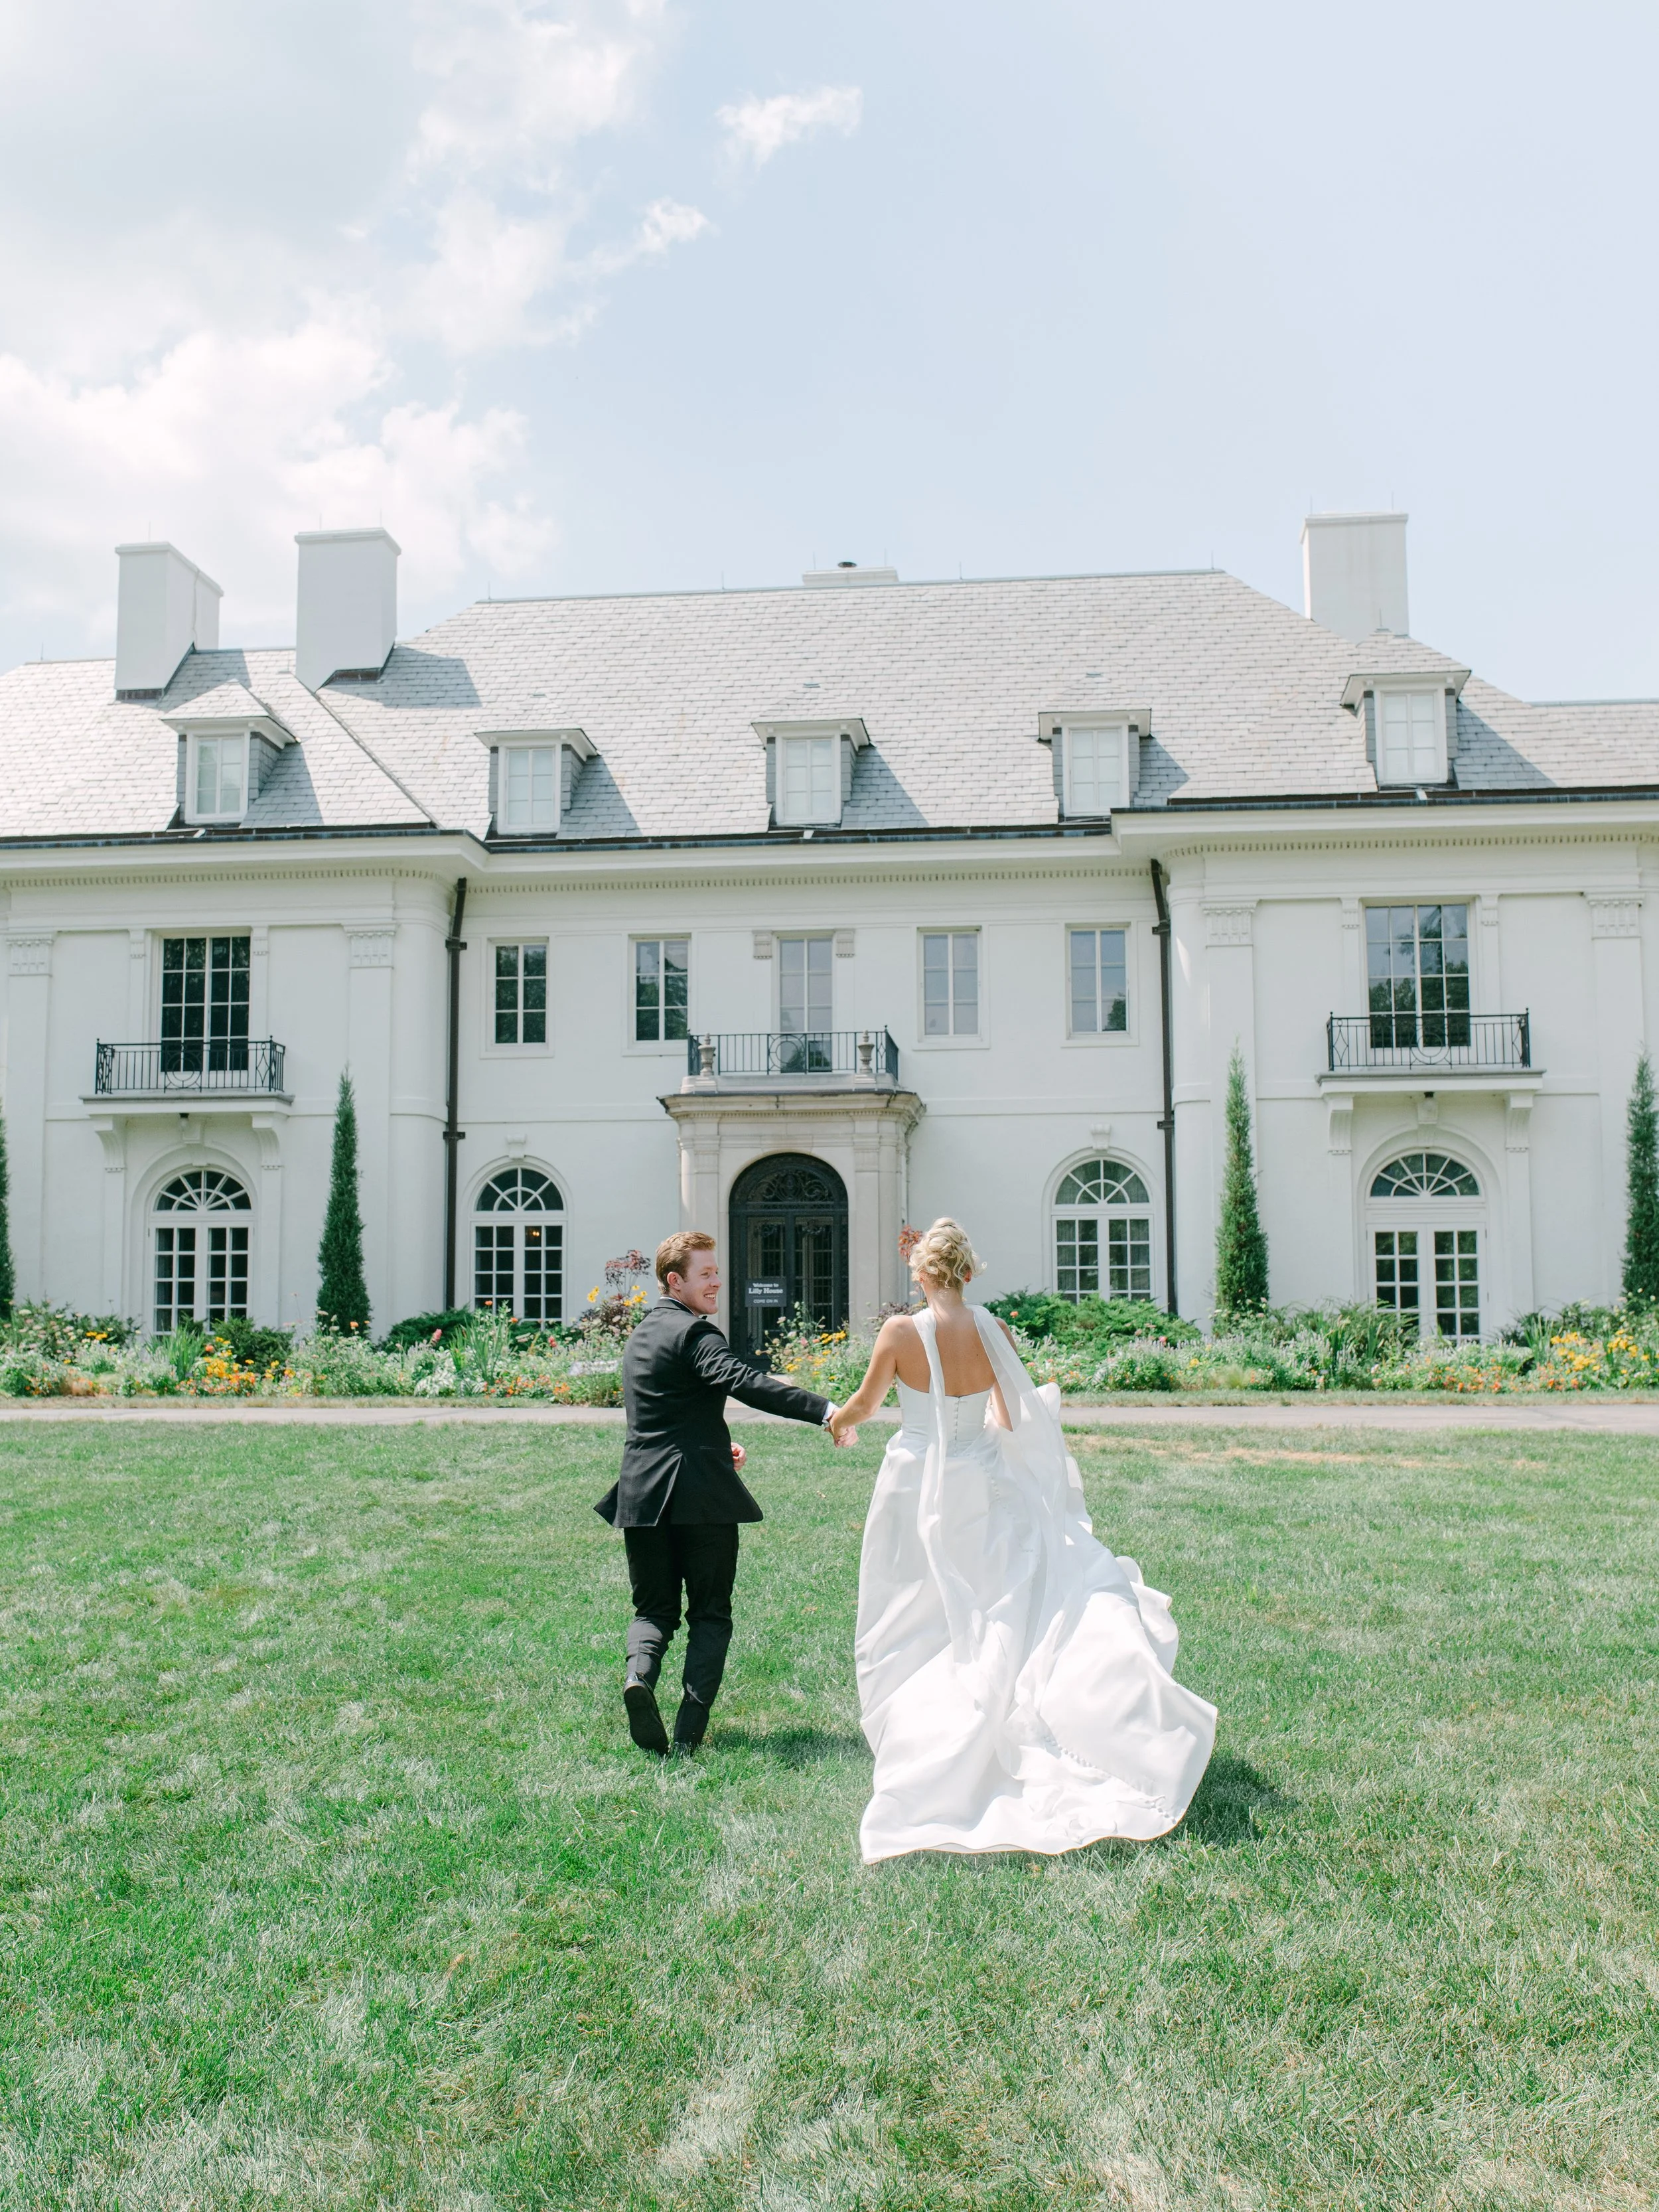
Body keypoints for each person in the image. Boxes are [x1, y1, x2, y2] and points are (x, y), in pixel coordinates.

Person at [830, 1217, 1216, 1861]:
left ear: (921, 1273)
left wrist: (838, 1421)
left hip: (917, 1485)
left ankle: (925, 1721)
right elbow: (1009, 1416)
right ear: (970, 1272)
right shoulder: (993, 1330)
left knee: (919, 1609)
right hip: (980, 1481)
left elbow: (867, 1405)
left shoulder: (900, 1332)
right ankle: (1007, 1704)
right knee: (994, 1602)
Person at [595, 1229, 848, 1755]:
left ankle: (639, 1676)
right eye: (706, 1274)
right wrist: (826, 1410)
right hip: (699, 1496)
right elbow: (745, 1382)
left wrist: (715, 1442)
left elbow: (669, 1407)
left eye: (716, 1271)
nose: (716, 1282)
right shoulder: (697, 1335)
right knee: (710, 1613)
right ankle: (687, 1735)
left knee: (653, 1611)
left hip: (642, 1491)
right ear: (675, 1280)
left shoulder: (642, 1335)